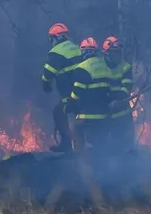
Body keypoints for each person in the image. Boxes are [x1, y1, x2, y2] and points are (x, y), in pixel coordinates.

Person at [64, 38, 113, 153]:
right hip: (103, 117)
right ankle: (103, 169)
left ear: (84, 51)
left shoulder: (83, 67)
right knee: (101, 148)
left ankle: (82, 167)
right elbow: (109, 89)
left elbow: (77, 92)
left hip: (86, 117)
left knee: (82, 147)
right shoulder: (105, 66)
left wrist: (70, 104)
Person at [41, 22, 83, 153]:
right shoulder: (76, 48)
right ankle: (83, 147)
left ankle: (66, 146)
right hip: (84, 92)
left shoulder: (56, 52)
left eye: (51, 38)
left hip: (69, 94)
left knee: (59, 113)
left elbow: (48, 72)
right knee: (81, 119)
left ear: (55, 38)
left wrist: (46, 83)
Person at [103, 36, 136, 154]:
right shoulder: (100, 67)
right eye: (115, 53)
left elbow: (126, 88)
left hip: (122, 112)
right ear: (107, 53)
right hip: (106, 112)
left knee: (127, 145)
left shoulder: (125, 67)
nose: (118, 55)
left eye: (119, 52)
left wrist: (116, 99)